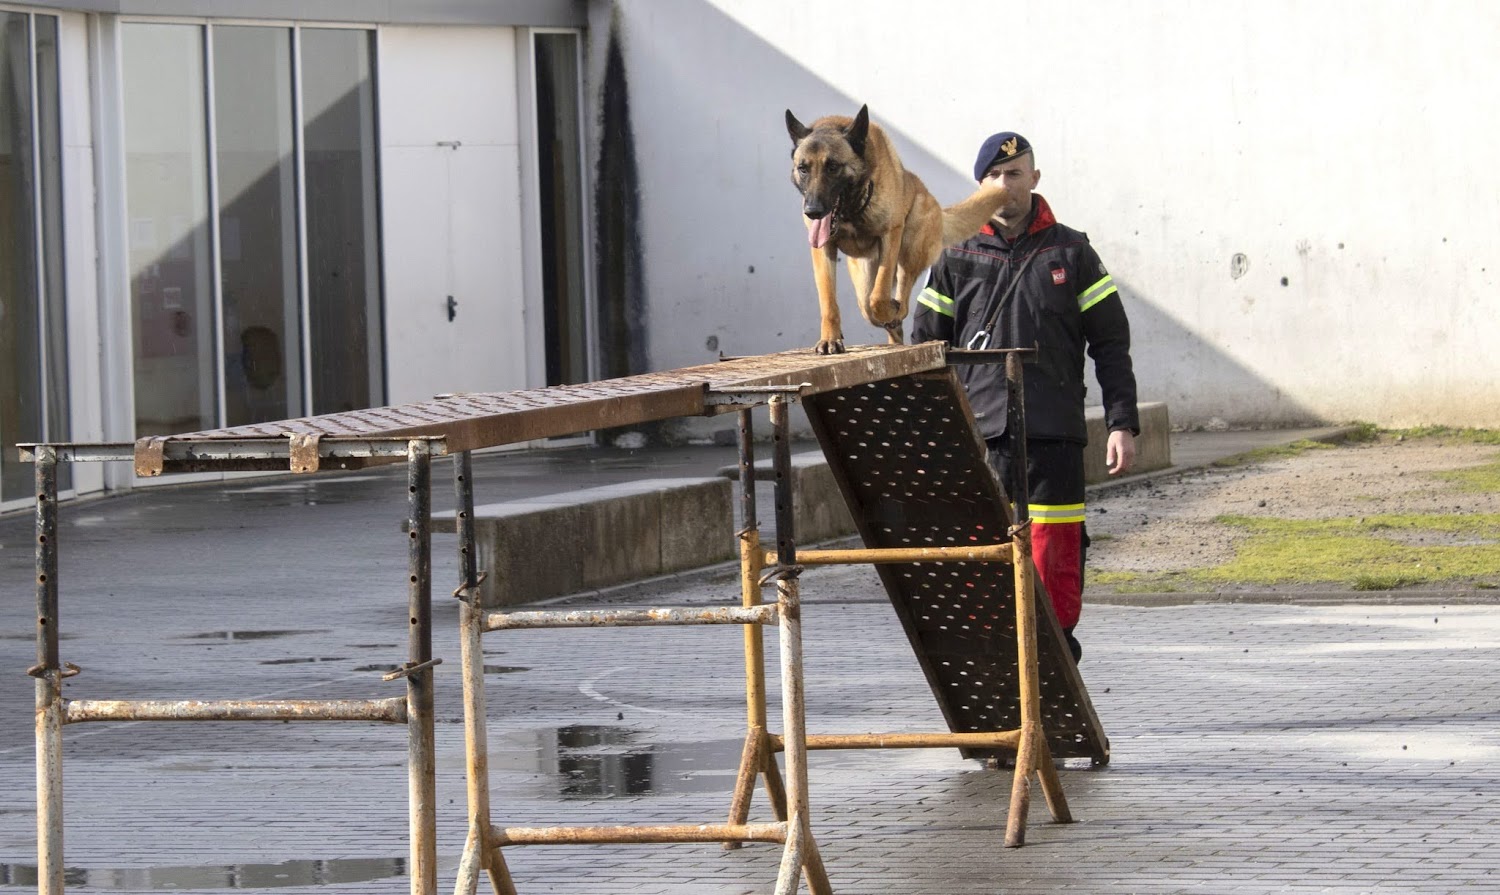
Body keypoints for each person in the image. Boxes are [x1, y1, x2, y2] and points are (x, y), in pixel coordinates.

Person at [912, 131, 1139, 662]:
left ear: (1034, 180)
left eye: (1015, 175)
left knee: (1054, 557)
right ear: (980, 184)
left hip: (1053, 436)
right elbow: (925, 350)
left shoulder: (1072, 251)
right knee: (983, 558)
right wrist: (929, 439)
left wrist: (1122, 422)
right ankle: (994, 676)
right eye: (994, 176)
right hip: (980, 438)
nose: (1004, 185)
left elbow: (1111, 343)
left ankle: (1057, 667)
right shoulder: (955, 254)